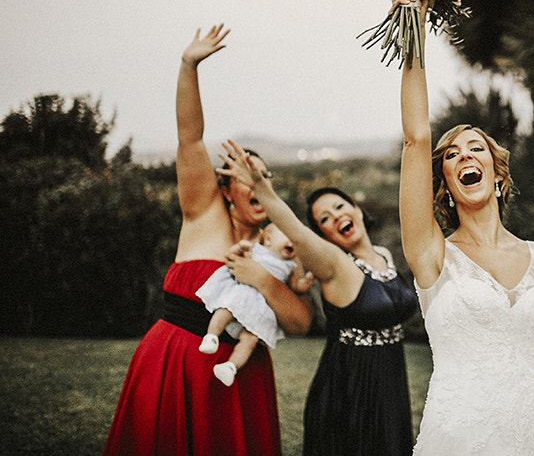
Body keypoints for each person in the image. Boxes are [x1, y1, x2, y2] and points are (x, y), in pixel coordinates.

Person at [393, 0, 534, 456]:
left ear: (497, 175)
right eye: (452, 156)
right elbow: (418, 138)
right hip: (462, 441)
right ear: (445, 186)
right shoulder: (433, 255)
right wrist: (413, 26)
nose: (464, 158)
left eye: (475, 149)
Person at [103, 25, 313, 455]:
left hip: (241, 376)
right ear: (225, 187)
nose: (256, 179)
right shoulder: (203, 215)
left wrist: (260, 278)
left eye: (263, 175)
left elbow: (301, 323)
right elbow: (190, 138)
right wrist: (188, 66)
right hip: (172, 363)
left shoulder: (283, 245)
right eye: (244, 172)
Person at [218, 142, 420, 456]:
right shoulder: (335, 266)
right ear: (324, 238)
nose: (335, 217)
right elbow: (296, 231)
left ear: (356, 209)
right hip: (349, 390)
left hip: (389, 384)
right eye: (324, 219)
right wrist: (259, 183)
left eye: (339, 207)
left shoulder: (384, 255)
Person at [196, 222, 314, 386]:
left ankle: (231, 367)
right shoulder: (257, 250)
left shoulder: (291, 265)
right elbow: (238, 257)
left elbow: (295, 286)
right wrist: (242, 247)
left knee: (250, 339)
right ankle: (211, 336)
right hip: (246, 293)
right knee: (226, 309)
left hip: (262, 307)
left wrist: (305, 283)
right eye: (287, 236)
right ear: (268, 239)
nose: (292, 241)